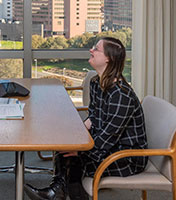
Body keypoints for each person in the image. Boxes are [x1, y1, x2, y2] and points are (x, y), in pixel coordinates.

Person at [24, 37, 148, 200]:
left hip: (127, 156)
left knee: (72, 157)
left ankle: (57, 192)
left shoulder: (121, 95)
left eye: (96, 49)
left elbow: (108, 136)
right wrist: (73, 138)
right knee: (65, 148)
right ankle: (60, 192)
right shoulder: (97, 83)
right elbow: (94, 117)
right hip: (110, 145)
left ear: (108, 58)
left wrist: (80, 149)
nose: (91, 50)